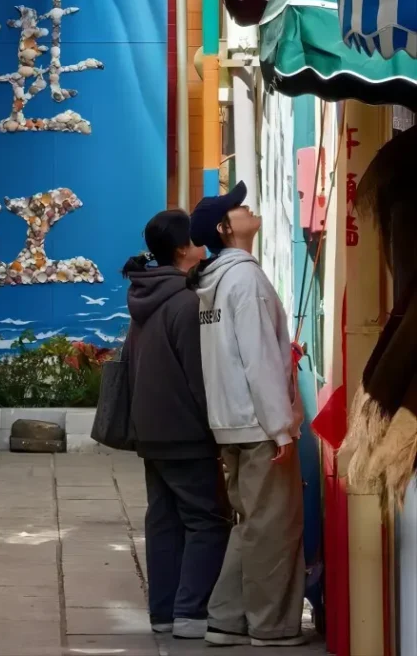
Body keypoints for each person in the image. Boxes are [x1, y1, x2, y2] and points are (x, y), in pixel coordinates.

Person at [189, 182, 306, 648]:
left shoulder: (215, 282)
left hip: (230, 421)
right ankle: (271, 626)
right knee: (274, 528)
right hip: (259, 424)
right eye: (235, 208)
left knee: (251, 523)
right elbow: (259, 359)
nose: (246, 207)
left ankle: (227, 619)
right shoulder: (245, 279)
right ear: (225, 228)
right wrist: (281, 429)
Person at [124, 209, 231, 641]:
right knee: (207, 519)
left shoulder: (144, 296)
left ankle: (164, 612)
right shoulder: (187, 303)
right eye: (196, 238)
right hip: (186, 431)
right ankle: (190, 612)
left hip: (150, 429)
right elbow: (200, 374)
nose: (204, 244)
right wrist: (219, 428)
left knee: (164, 520)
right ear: (183, 248)